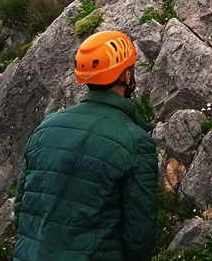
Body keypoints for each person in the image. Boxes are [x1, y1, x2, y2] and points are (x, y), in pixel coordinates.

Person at [14, 30, 158, 261]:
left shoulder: (46, 128)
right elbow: (140, 234)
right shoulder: (135, 141)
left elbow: (21, 209)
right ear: (127, 75)